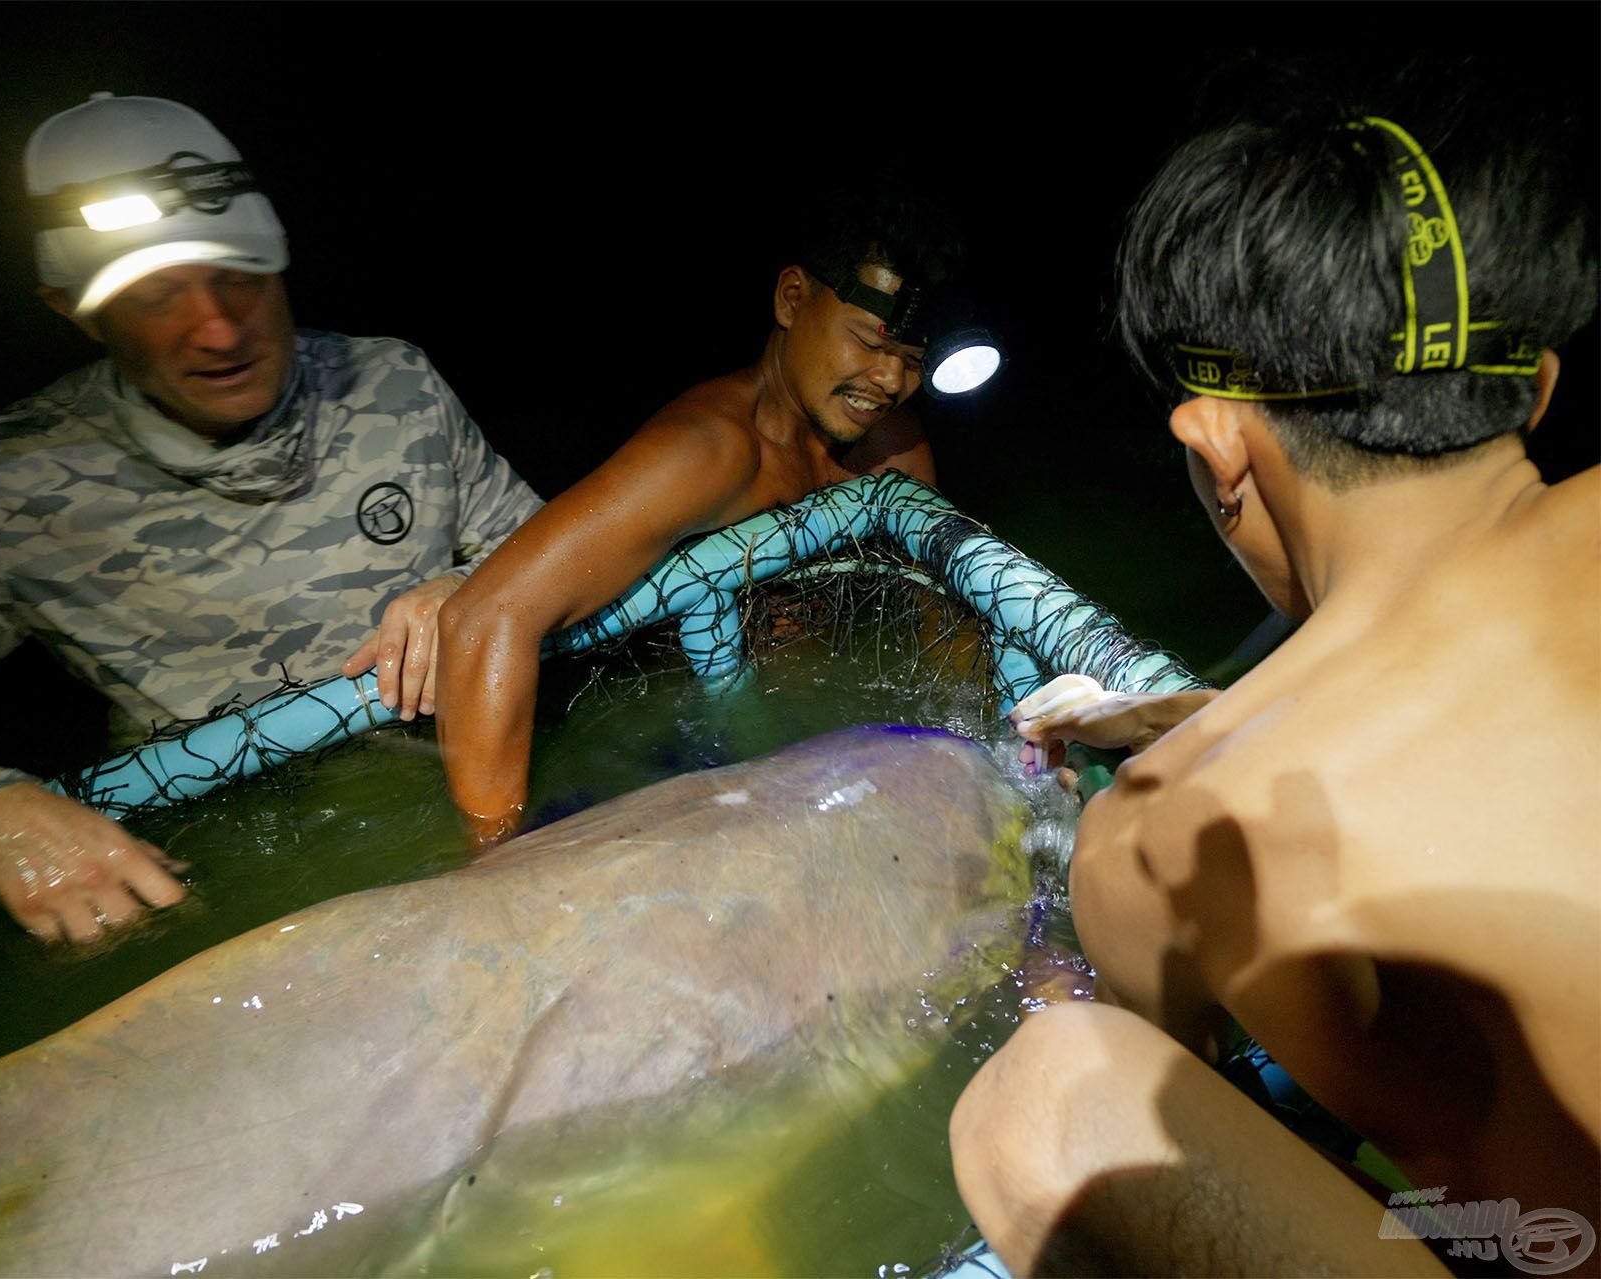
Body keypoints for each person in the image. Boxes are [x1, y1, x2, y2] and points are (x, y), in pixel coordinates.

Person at [948, 62, 1598, 1277]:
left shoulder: (1155, 830)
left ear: (1215, 442)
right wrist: (1217, 717)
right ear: (1540, 386)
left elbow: (1161, 1082)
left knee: (1043, 1101)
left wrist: (1186, 768)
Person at [0, 94, 542, 943]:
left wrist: (483, 589)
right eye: (154, 295)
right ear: (71, 307)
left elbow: (568, 551)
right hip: (249, 878)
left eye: (239, 275)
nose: (217, 328)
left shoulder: (394, 382)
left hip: (501, 805)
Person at [431, 193, 951, 846]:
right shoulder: (710, 452)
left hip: (829, 737)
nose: (889, 378)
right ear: (792, 299)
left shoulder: (893, 447)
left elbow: (944, 621)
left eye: (913, 358)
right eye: (871, 342)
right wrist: (496, 860)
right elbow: (485, 617)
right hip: (684, 758)